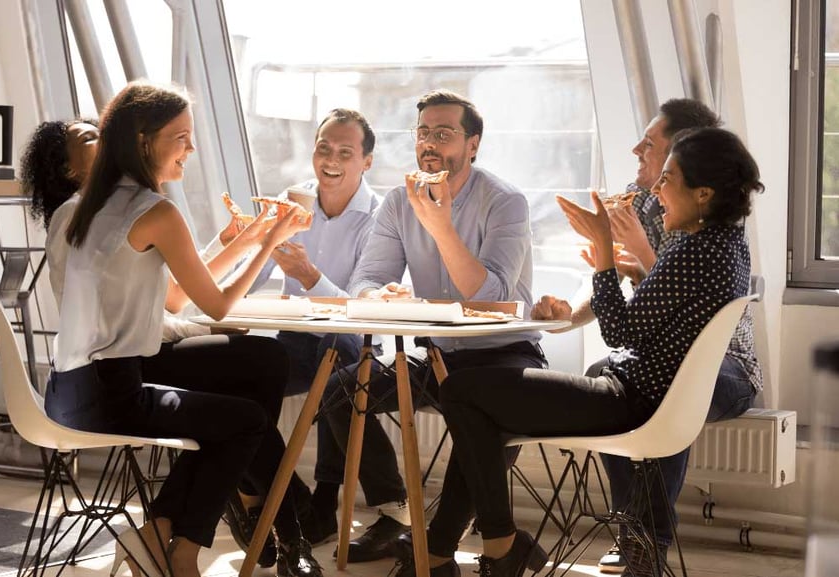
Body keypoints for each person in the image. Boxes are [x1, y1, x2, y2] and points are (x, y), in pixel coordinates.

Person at [430, 127, 762, 577]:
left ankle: (495, 544)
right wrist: (636, 273)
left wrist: (604, 251)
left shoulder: (693, 250)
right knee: (477, 404)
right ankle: (475, 547)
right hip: (646, 398)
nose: (657, 190)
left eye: (668, 179)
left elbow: (619, 331)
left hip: (630, 402)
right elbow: (666, 320)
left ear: (703, 193)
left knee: (461, 391)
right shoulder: (728, 246)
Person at [20, 117, 324, 571]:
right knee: (255, 388)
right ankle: (267, 519)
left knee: (259, 370)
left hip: (95, 377)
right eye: (89, 136)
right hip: (120, 375)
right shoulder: (111, 214)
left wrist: (247, 241)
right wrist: (262, 246)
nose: (104, 138)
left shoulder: (94, 213)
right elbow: (177, 313)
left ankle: (232, 514)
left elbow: (171, 299)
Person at [315, 90, 547, 564]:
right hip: (438, 355)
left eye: (443, 134)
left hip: (504, 353)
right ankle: (394, 514)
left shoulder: (506, 201)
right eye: (423, 132)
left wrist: (440, 225)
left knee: (478, 409)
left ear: (473, 144)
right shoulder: (399, 201)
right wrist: (377, 294)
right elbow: (365, 279)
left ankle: (437, 548)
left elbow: (490, 296)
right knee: (340, 392)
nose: (429, 143)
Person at [532, 99, 762, 575]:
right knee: (608, 371)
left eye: (651, 145)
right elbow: (617, 282)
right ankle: (633, 532)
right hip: (668, 354)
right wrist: (567, 315)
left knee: (671, 386)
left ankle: (646, 539)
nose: (637, 151)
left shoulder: (707, 223)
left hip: (727, 364)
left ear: (685, 153)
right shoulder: (639, 202)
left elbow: (671, 299)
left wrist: (636, 256)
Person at [246, 108, 382, 544]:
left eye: (345, 152)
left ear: (366, 162)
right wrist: (246, 244)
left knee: (336, 361)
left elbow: (362, 308)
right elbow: (255, 275)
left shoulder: (379, 218)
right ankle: (275, 493)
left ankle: (325, 499)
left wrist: (309, 276)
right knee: (242, 376)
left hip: (354, 340)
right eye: (324, 147)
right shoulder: (293, 202)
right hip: (296, 337)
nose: (331, 159)